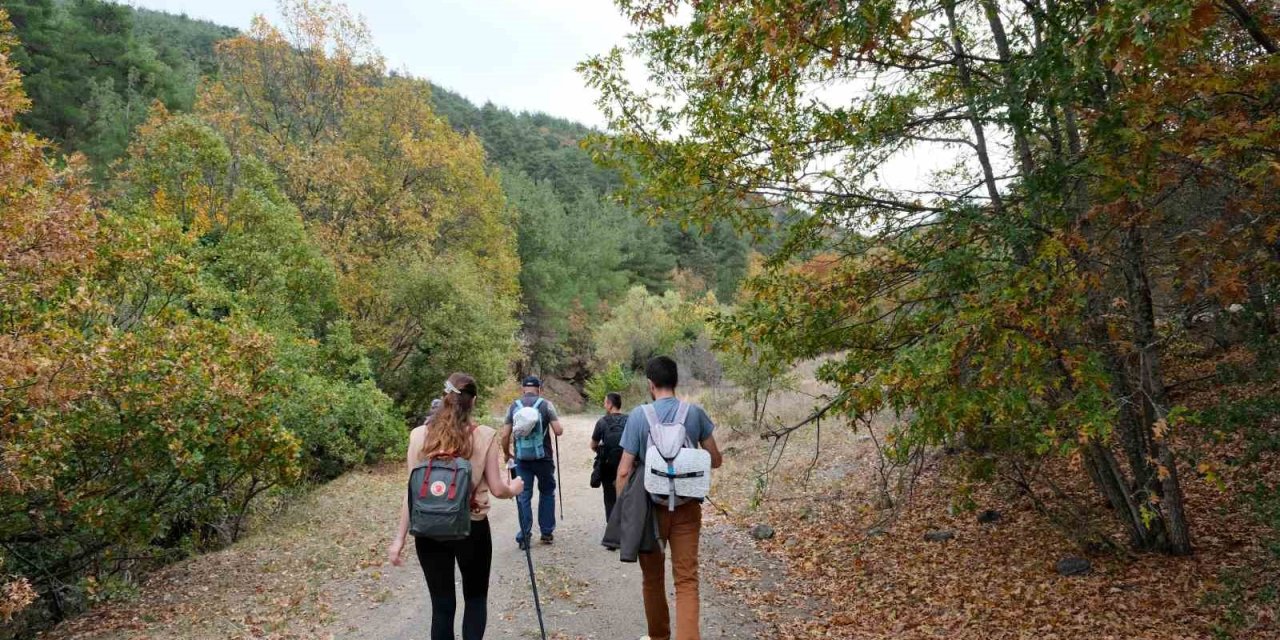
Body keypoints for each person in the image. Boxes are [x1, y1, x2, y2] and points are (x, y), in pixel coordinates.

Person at [388, 373, 524, 640]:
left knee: (441, 605)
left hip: (428, 530)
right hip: (471, 528)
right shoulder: (484, 435)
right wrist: (515, 488)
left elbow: (412, 492)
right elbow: (498, 489)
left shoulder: (418, 436)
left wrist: (399, 539)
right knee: (475, 599)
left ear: (445, 397)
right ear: (473, 401)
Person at [616, 356, 723, 640]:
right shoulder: (694, 414)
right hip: (687, 509)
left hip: (649, 509)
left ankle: (659, 637)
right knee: (686, 580)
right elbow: (714, 460)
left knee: (652, 579)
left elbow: (624, 471)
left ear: (650, 384)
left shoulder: (638, 416)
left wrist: (626, 512)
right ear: (676, 382)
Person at [501, 375, 563, 548]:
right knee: (547, 492)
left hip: (522, 459)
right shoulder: (546, 405)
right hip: (544, 458)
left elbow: (505, 435)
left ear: (523, 389)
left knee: (523, 495)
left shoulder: (513, 406)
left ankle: (524, 536)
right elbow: (558, 431)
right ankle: (546, 533)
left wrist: (507, 453)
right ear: (539, 389)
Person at [590, 392, 628, 522]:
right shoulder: (629, 420)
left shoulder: (602, 422)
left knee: (609, 497)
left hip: (608, 466)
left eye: (605, 402)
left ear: (610, 404)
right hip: (627, 464)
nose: (604, 405)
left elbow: (593, 445)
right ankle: (627, 525)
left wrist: (600, 451)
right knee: (627, 496)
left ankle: (612, 527)